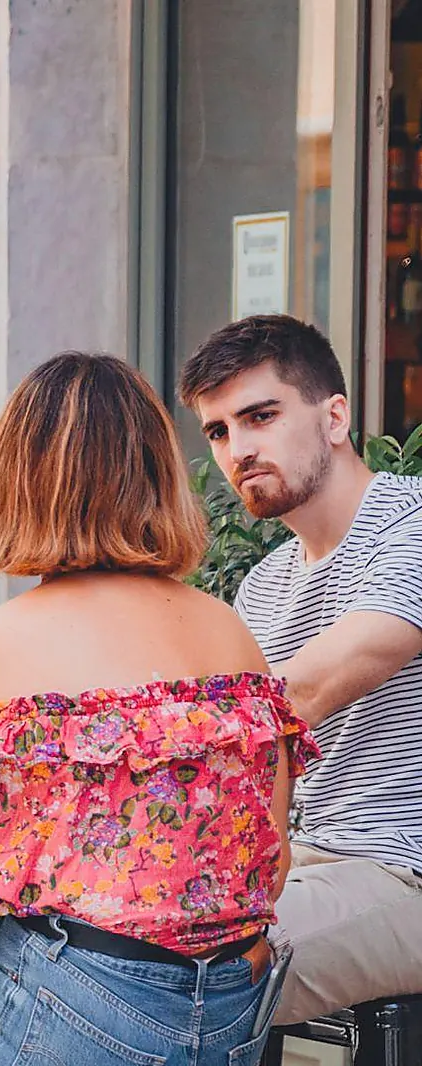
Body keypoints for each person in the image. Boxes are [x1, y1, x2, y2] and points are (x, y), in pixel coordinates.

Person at [0, 352, 315, 1066]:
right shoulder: (232, 633)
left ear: (15, 479)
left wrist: (23, 1001)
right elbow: (268, 861)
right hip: (233, 1012)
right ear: (159, 474)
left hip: (69, 995)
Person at [181, 314, 422, 1022]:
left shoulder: (413, 528)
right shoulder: (265, 583)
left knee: (197, 965)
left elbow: (308, 689)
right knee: (102, 932)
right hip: (301, 861)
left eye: (261, 416)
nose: (239, 449)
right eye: (219, 431)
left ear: (335, 417)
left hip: (402, 871)